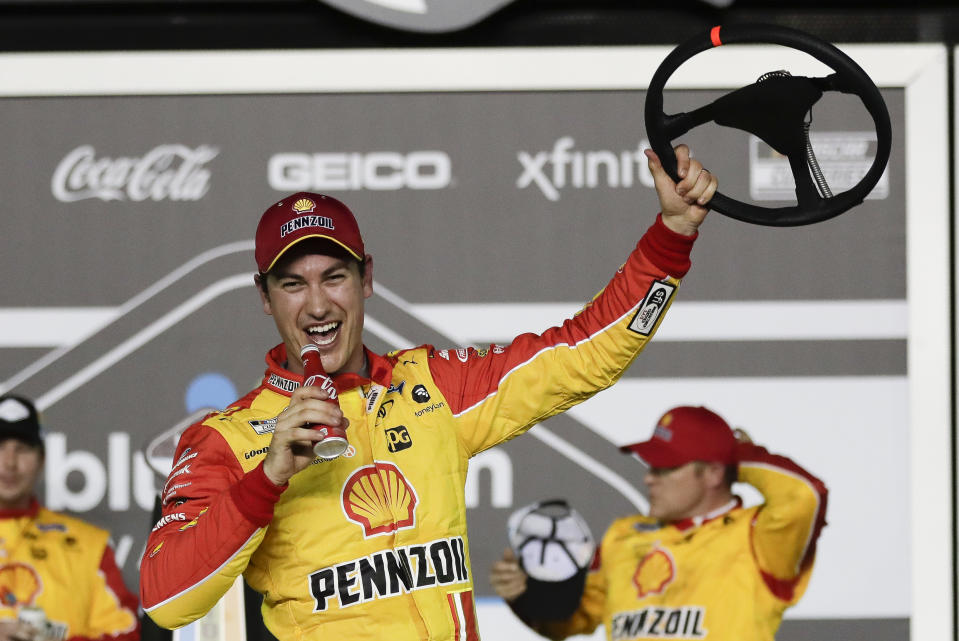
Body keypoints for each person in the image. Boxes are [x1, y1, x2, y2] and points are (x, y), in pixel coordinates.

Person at [139, 145, 718, 640]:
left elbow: (582, 355)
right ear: (264, 297)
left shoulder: (431, 386)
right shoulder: (225, 439)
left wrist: (672, 238)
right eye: (293, 284)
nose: (316, 305)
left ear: (367, 278)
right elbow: (166, 600)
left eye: (334, 277)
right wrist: (266, 480)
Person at [490, 405, 829, 641]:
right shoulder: (622, 535)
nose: (650, 478)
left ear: (712, 472)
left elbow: (804, 496)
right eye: (651, 466)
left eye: (666, 468)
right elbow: (569, 621)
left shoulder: (758, 536)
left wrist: (739, 455)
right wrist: (527, 597)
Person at [0, 394, 140, 641]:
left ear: (42, 460)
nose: (9, 463)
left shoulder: (89, 546)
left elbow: (125, 633)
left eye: (21, 449)